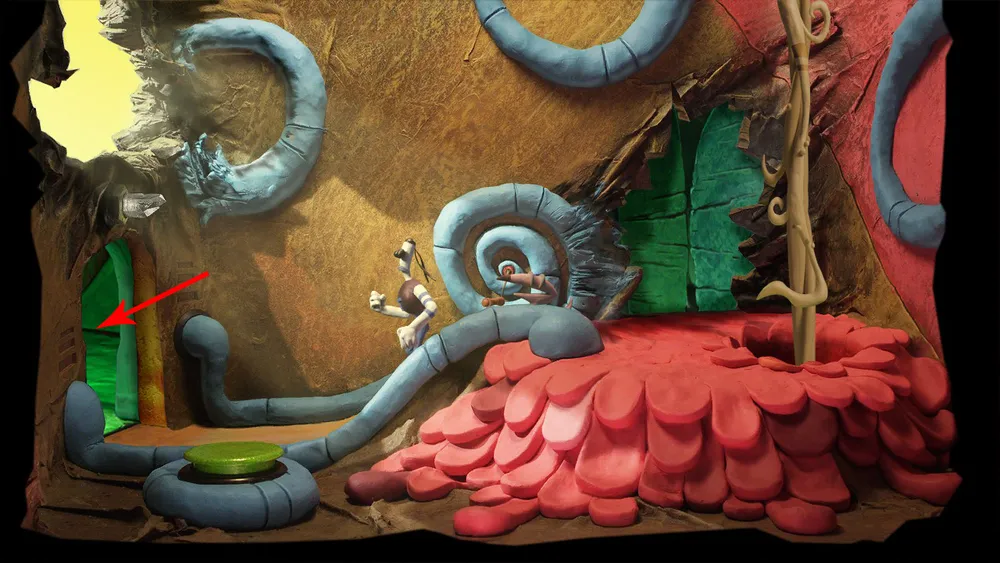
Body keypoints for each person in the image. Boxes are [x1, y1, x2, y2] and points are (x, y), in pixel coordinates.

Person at [369, 238, 437, 354]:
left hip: (419, 331)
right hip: (414, 336)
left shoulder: (416, 286)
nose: (402, 260)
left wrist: (413, 327)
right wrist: (382, 309)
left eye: (405, 256)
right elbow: (405, 313)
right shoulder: (406, 285)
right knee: (412, 353)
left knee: (416, 354)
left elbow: (432, 307)